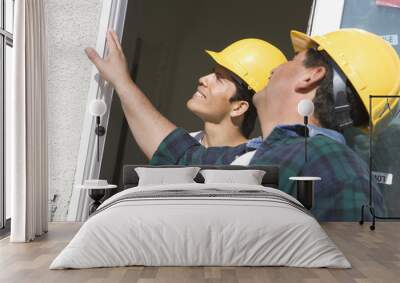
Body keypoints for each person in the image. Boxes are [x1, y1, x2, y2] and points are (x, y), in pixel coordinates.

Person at [85, 29, 400, 220]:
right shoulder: (260, 153)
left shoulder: (336, 168)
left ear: (311, 76)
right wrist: (121, 82)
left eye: (291, 59)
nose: (276, 68)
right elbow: (179, 154)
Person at [187, 39, 286, 151]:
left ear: (239, 107)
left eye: (219, 78)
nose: (202, 79)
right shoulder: (177, 148)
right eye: (212, 72)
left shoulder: (250, 163)